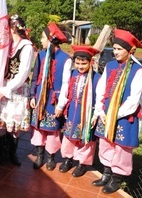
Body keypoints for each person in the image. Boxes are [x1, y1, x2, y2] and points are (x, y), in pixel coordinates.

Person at [91, 28, 142, 194]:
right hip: (106, 114)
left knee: (121, 149)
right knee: (105, 144)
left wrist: (115, 115)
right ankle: (106, 173)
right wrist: (100, 110)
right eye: (114, 48)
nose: (116, 52)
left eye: (120, 49)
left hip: (124, 116)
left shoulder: (138, 70)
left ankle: (117, 178)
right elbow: (101, 89)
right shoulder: (110, 65)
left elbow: (133, 100)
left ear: (130, 51)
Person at [0, 15, 34, 166]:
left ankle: (12, 153)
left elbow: (23, 73)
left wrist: (7, 89)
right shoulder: (6, 44)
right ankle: (2, 153)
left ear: (13, 28)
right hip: (2, 87)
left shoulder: (26, 46)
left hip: (15, 90)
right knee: (1, 123)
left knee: (14, 125)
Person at [29, 22, 71, 171]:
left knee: (53, 130)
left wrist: (61, 105)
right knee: (39, 128)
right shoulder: (40, 55)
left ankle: (50, 157)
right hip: (40, 97)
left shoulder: (66, 59)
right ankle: (39, 155)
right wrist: (32, 95)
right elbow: (35, 77)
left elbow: (66, 83)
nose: (41, 41)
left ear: (51, 39)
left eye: (42, 38)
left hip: (54, 100)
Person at [59, 45, 101, 177]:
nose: (80, 66)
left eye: (84, 63)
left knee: (85, 139)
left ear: (91, 62)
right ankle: (68, 159)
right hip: (73, 111)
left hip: (87, 114)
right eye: (77, 63)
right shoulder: (72, 74)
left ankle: (82, 163)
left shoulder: (97, 78)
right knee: (69, 136)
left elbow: (100, 97)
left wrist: (95, 114)